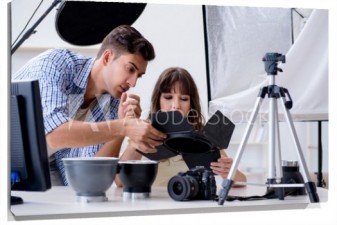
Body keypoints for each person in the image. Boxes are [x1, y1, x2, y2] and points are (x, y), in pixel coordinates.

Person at [12, 25, 166, 186]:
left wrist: (122, 126)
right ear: (107, 58)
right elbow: (54, 134)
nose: (133, 82)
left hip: (43, 165)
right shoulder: (55, 65)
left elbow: (94, 173)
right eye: (130, 69)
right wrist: (124, 127)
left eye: (139, 76)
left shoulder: (114, 100)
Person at [114, 67, 246, 187]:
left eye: (184, 99)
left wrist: (229, 172)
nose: (176, 105)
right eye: (168, 97)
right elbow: (120, 181)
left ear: (191, 105)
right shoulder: (143, 132)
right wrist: (136, 141)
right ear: (158, 100)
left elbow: (241, 181)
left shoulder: (203, 137)